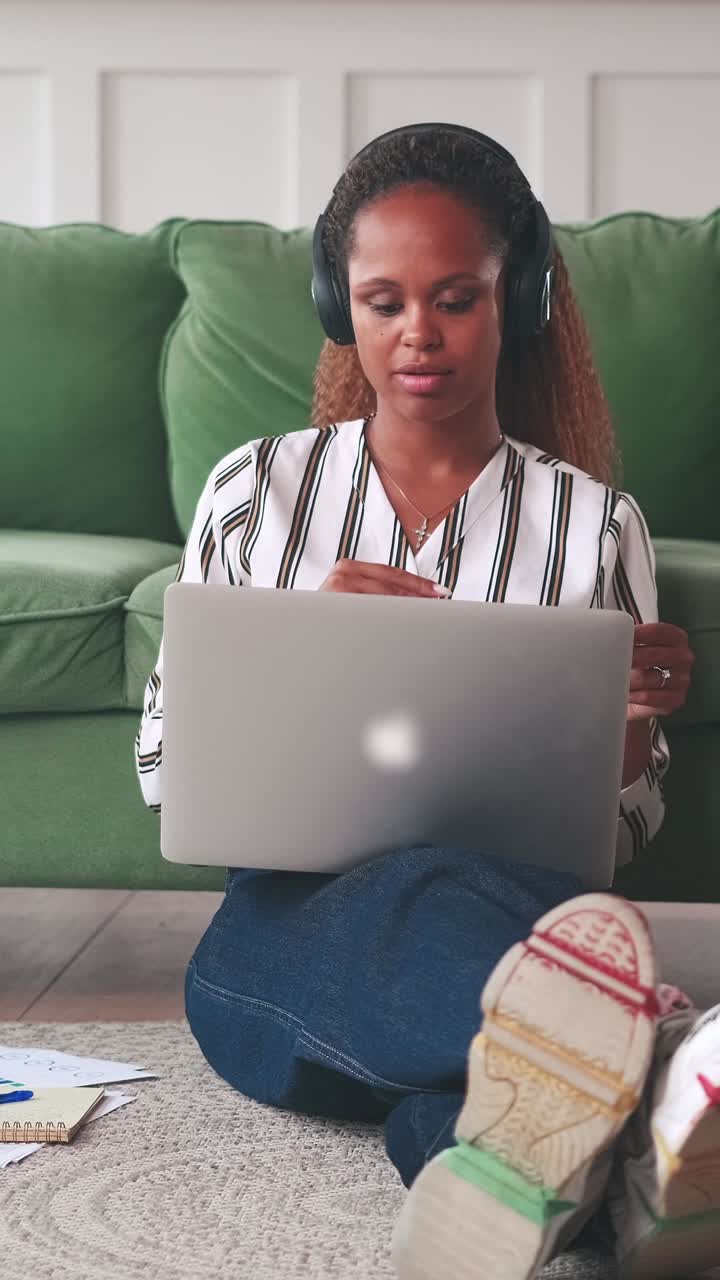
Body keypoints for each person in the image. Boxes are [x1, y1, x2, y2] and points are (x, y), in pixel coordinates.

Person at [134, 125, 718, 1279]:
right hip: (294, 914)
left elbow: (622, 831)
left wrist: (630, 729)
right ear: (338, 306)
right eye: (384, 301)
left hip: (512, 900)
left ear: (521, 299)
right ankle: (656, 1080)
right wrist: (307, 634)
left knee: (442, 965)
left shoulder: (594, 525)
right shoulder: (255, 493)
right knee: (242, 982)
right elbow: (164, 763)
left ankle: (545, 1161)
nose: (419, 332)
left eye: (456, 299)